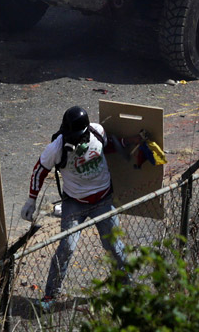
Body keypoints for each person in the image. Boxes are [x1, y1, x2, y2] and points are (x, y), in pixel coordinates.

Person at [21, 106, 126, 308]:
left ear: (86, 132)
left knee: (114, 245)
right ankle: (51, 295)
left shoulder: (97, 131)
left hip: (103, 200)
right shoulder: (57, 147)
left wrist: (130, 145)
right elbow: (39, 171)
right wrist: (31, 200)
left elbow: (110, 146)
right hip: (74, 203)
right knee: (66, 247)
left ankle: (125, 287)